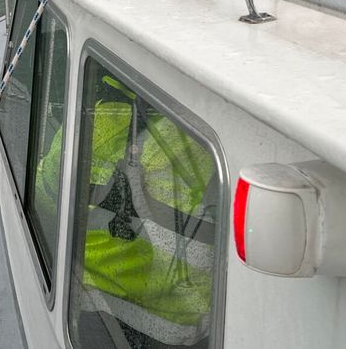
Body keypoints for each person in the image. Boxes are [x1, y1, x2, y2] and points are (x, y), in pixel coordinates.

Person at [39, 75, 215, 348]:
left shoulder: (90, 125)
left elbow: (46, 196)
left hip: (96, 306)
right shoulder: (202, 138)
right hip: (183, 320)